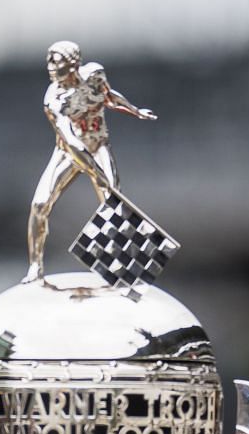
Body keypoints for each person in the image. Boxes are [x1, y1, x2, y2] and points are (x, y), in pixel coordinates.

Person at [23, 42, 157, 282]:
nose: (50, 67)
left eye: (56, 61)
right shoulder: (54, 101)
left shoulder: (94, 75)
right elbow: (72, 142)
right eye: (49, 61)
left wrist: (135, 110)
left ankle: (121, 266)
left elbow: (109, 97)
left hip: (98, 145)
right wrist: (95, 172)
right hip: (68, 152)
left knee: (113, 201)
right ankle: (35, 267)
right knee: (39, 204)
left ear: (73, 63)